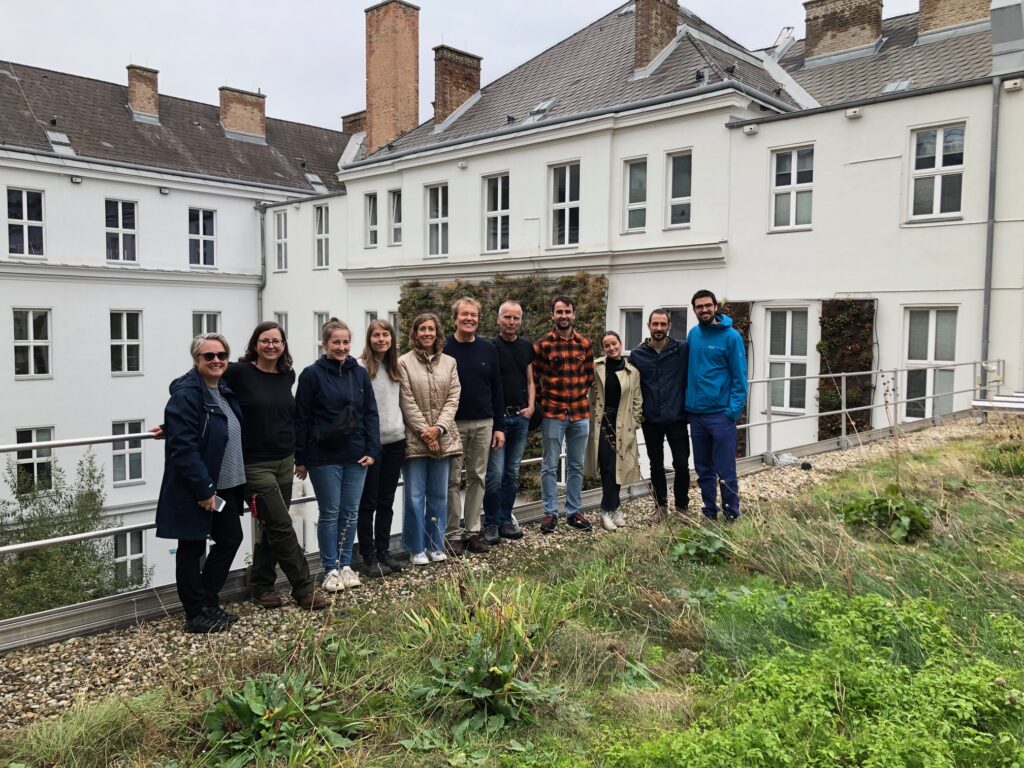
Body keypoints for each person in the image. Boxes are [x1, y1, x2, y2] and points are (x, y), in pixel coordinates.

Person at [224, 322, 325, 610]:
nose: (271, 346)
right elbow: (200, 382)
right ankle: (304, 589)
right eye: (265, 341)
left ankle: (262, 586)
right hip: (254, 465)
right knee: (282, 524)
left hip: (284, 461)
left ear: (284, 345)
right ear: (255, 344)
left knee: (271, 526)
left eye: (277, 341)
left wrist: (298, 454)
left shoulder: (286, 375)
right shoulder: (238, 373)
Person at [156, 333, 246, 634]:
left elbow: (204, 428)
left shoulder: (222, 390)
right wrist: (204, 489)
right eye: (209, 356)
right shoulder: (187, 394)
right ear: (197, 360)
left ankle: (207, 601)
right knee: (192, 547)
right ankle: (195, 614)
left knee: (230, 538)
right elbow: (183, 447)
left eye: (222, 355)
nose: (217, 360)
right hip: (201, 487)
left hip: (227, 484)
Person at [295, 318, 380, 592]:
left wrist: (372, 449)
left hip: (356, 455)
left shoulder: (360, 373)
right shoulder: (311, 374)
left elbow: (370, 413)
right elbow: (302, 418)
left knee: (351, 512)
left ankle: (345, 564)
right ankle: (330, 568)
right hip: (324, 456)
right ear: (325, 344)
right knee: (331, 512)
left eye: (345, 342)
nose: (342, 347)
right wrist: (301, 458)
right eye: (336, 342)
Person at [398, 313, 462, 565]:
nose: (427, 333)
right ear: (415, 333)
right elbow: (406, 400)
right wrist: (426, 431)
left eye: (431, 329)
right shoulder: (403, 363)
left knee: (439, 495)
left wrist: (439, 429)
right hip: (415, 440)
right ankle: (416, 547)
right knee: (414, 496)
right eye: (422, 329)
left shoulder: (450, 362)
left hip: (443, 438)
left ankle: (435, 544)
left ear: (437, 333)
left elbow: (454, 397)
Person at [444, 297, 504, 555]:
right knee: (451, 479)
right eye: (464, 315)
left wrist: (499, 426)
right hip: (453, 422)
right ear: (455, 318)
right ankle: (452, 534)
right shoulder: (443, 347)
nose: (469, 319)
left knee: (478, 477)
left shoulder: (488, 348)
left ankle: (472, 531)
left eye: (474, 315)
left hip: (483, 421)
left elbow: (497, 388)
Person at [533, 296, 595, 533]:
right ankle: (550, 514)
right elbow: (535, 378)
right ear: (553, 315)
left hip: (580, 413)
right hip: (552, 413)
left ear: (573, 314)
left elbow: (588, 377)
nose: (564, 316)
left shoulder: (584, 344)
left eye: (567, 311)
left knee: (576, 465)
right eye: (559, 312)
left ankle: (574, 512)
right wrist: (543, 403)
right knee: (549, 465)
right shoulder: (543, 345)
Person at [686, 290, 748, 521]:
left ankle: (732, 512)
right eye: (699, 306)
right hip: (696, 414)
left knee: (726, 469)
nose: (704, 310)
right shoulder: (693, 335)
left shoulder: (731, 337)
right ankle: (709, 510)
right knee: (703, 469)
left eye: (708, 305)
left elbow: (740, 378)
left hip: (721, 415)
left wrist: (731, 412)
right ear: (694, 309)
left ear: (715, 307)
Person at [628, 308, 691, 520]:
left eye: (663, 324)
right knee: (655, 464)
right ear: (648, 326)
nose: (659, 328)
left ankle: (682, 507)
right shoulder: (638, 355)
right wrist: (638, 413)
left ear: (669, 326)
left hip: (677, 417)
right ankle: (660, 507)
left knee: (681, 464)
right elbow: (633, 386)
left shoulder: (681, 349)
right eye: (655, 324)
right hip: (651, 419)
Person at [356, 319, 406, 577]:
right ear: (369, 339)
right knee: (369, 502)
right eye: (375, 335)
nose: (381, 339)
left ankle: (384, 550)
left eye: (385, 334)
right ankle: (368, 555)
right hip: (371, 447)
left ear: (391, 338)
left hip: (396, 440)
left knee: (387, 501)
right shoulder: (361, 368)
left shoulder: (396, 368)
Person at [482, 300, 534, 542]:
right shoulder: (490, 348)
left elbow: (530, 380)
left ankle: (505, 520)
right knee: (495, 473)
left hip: (521, 417)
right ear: (498, 320)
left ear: (520, 321)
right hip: (499, 420)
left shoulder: (526, 347)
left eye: (516, 318)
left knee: (512, 473)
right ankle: (490, 522)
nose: (512, 322)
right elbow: (490, 385)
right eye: (507, 317)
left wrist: (531, 406)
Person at [585, 331, 643, 531]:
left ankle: (613, 508)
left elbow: (637, 399)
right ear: (603, 348)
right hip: (602, 422)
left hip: (623, 424)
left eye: (614, 344)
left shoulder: (632, 371)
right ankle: (606, 510)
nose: (611, 348)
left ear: (620, 344)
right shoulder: (596, 366)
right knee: (608, 467)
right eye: (607, 345)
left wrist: (635, 422)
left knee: (619, 467)